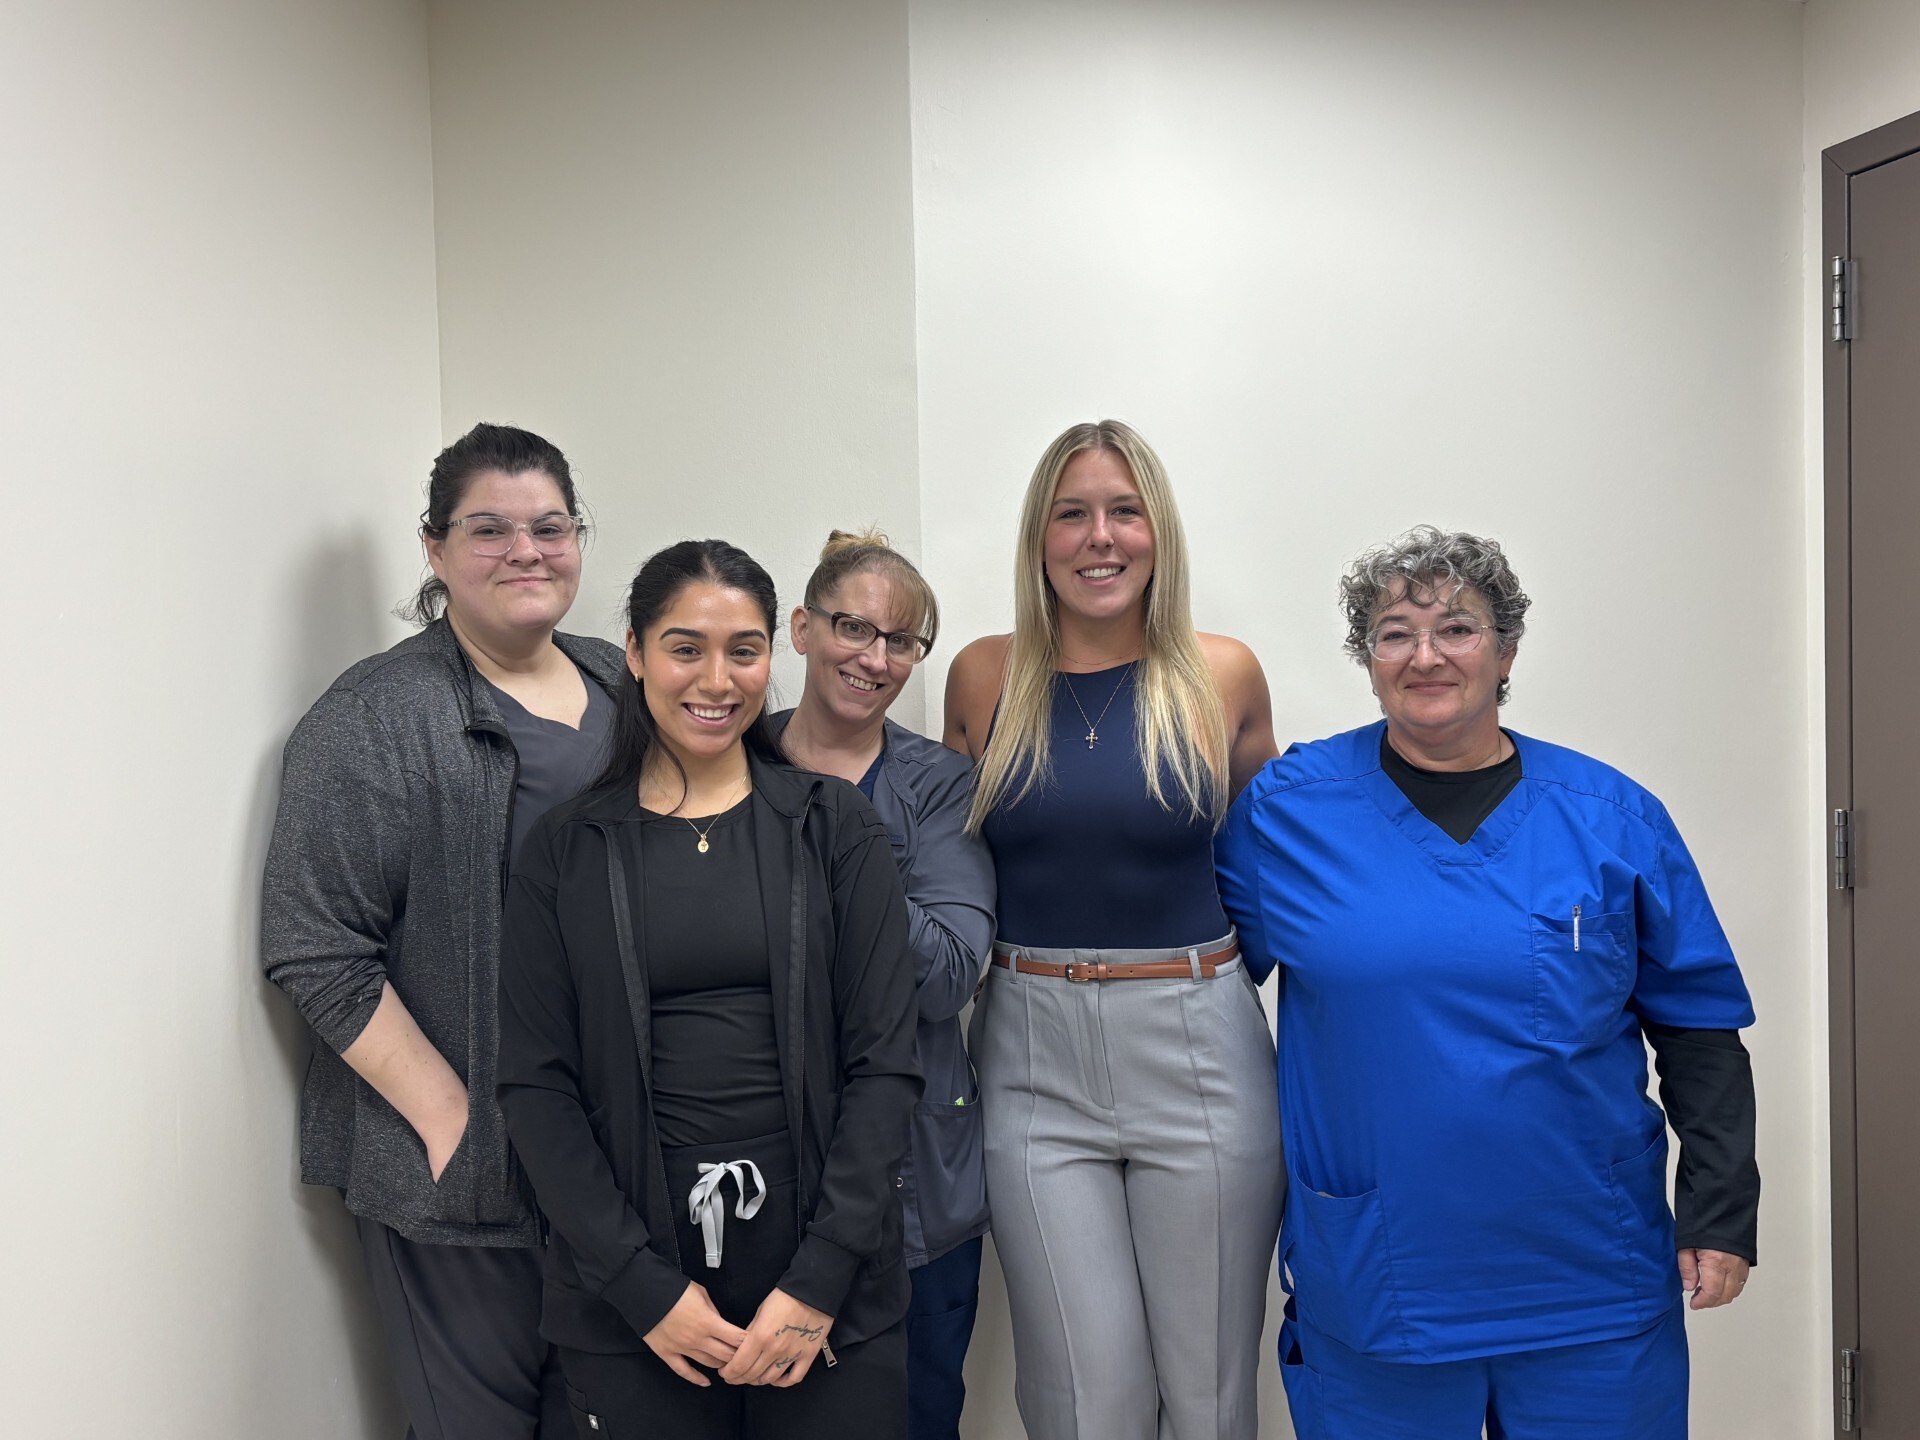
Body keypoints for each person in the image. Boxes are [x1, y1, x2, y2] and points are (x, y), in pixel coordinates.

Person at [1215, 525, 1760, 1440]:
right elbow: (1192, 974)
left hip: (1588, 1275)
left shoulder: (1612, 820)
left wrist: (1720, 1211)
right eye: (1395, 632)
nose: (1426, 655)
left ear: (1506, 651)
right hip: (1384, 1276)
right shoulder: (1287, 814)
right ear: (1369, 657)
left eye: (1458, 629)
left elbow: (1700, 1029)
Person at [494, 539, 922, 1440]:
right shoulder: (564, 853)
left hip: (824, 1290)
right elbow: (535, 1088)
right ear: (636, 653)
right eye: (686, 647)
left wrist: (818, 1279)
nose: (717, 679)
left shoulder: (834, 828)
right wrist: (642, 1290)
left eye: (744, 650)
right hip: (631, 1301)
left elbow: (885, 1064)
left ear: (776, 654)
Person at [262, 422, 618, 1439]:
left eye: (550, 527)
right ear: (434, 548)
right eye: (489, 529)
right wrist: (455, 1128)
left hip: (611, 1174)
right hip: (467, 1189)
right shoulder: (375, 716)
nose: (526, 552)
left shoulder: (625, 686)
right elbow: (313, 941)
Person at [943, 420, 1283, 1440]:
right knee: (1084, 1401)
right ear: (1039, 537)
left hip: (1197, 1042)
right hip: (1029, 1048)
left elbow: (1270, 871)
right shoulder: (981, 676)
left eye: (1125, 511)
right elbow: (945, 867)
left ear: (1158, 532)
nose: (1101, 537)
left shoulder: (1221, 673)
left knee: (1212, 1392)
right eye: (1073, 513)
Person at [770, 529, 996, 1440]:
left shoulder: (941, 787)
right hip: (764, 1180)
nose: (875, 658)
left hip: (918, 1199)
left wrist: (822, 830)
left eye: (900, 642)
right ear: (801, 627)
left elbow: (944, 975)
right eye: (853, 628)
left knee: (917, 1416)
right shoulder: (725, 762)